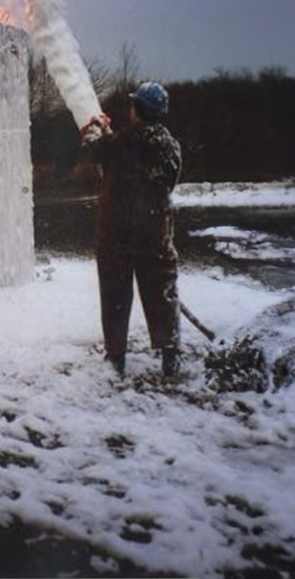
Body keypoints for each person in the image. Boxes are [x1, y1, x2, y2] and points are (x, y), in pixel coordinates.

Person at [80, 81, 182, 378]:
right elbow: (161, 179)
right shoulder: (170, 146)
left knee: (115, 295)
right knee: (162, 291)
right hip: (156, 233)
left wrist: (96, 128)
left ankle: (116, 357)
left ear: (138, 110)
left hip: (117, 235)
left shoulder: (121, 143)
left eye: (133, 105)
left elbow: (95, 150)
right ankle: (170, 353)